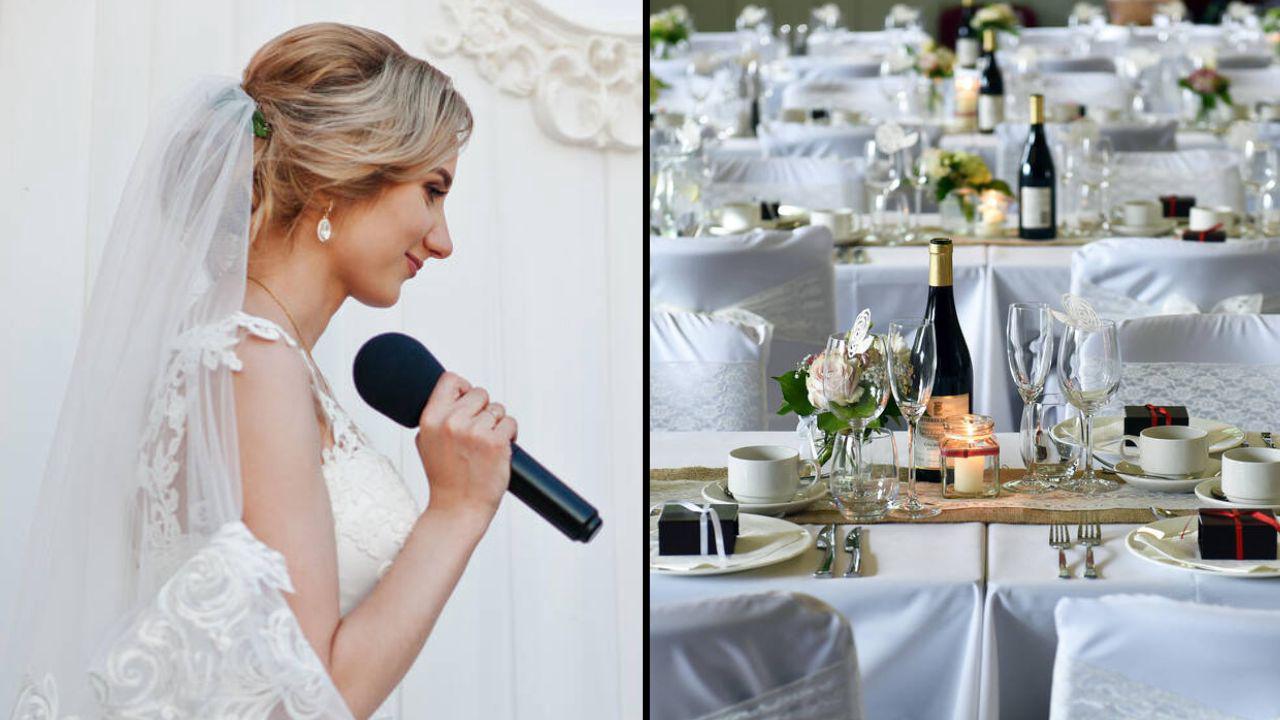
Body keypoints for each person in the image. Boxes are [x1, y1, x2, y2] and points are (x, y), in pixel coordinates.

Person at [3, 22, 512, 720]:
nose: (443, 239)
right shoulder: (250, 360)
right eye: (432, 188)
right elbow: (311, 695)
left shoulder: (262, 354)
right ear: (345, 173)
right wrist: (458, 510)